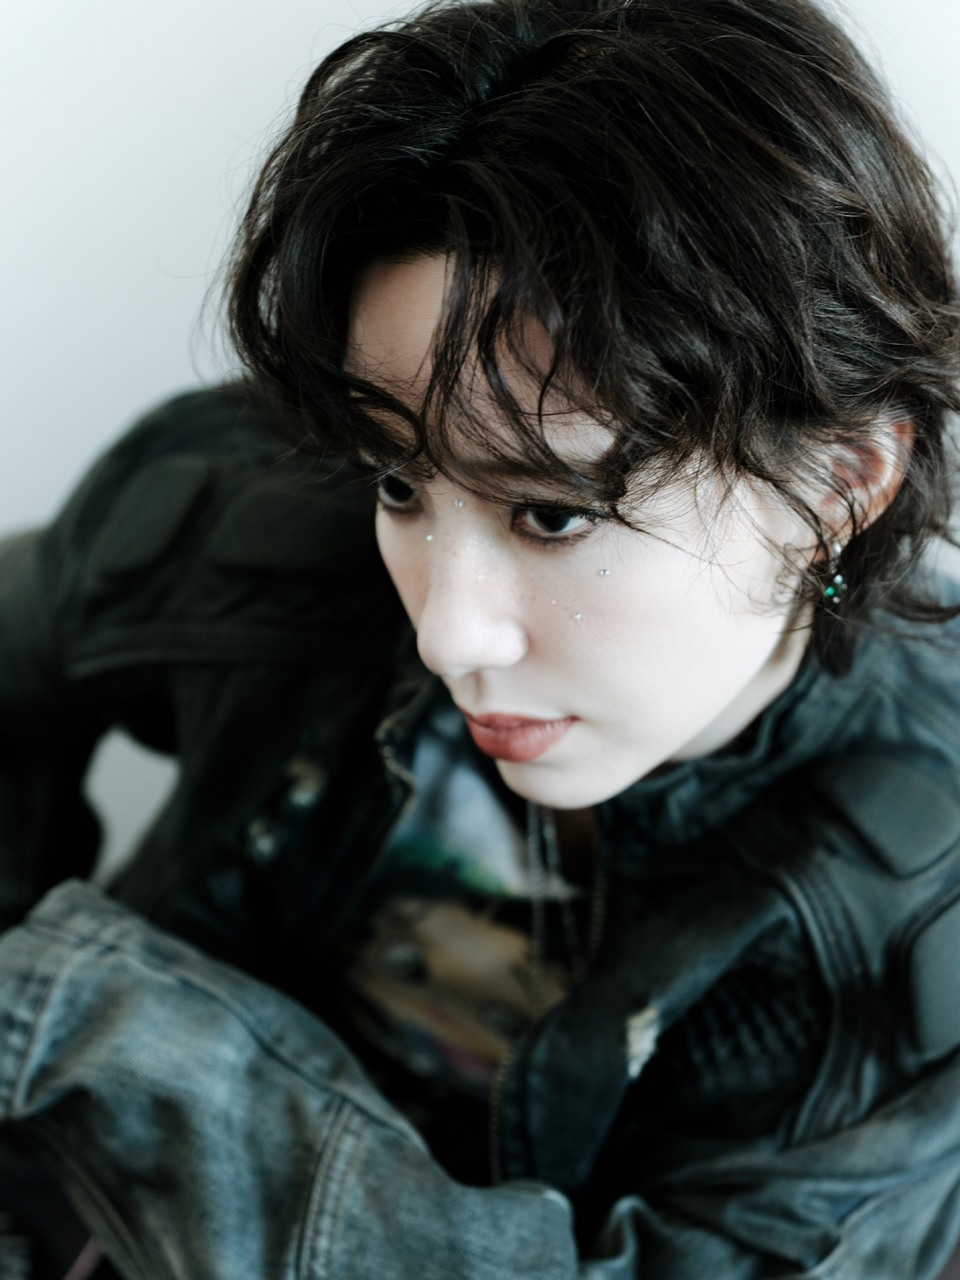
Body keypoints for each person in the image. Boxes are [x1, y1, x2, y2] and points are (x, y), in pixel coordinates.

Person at [1, 0, 959, 1275]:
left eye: (552, 514)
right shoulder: (249, 516)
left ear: (842, 480)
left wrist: (86, 1024)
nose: (447, 632)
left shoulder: (919, 892)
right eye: (398, 481)